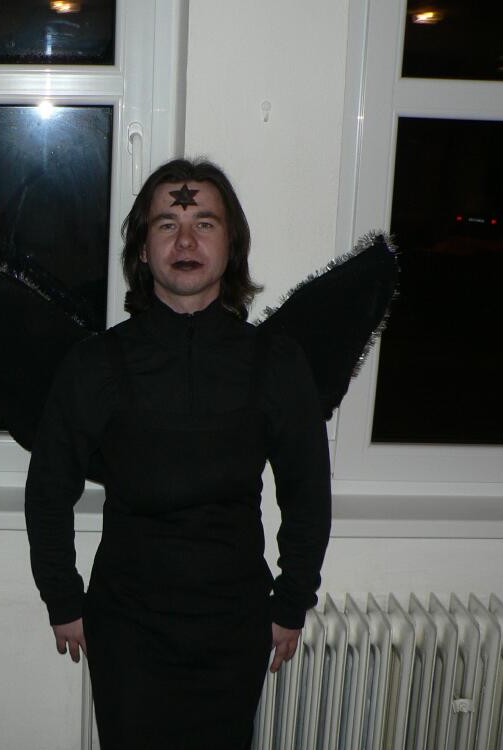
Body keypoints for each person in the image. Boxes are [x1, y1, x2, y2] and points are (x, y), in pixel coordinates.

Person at [24, 158, 331, 749]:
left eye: (204, 224)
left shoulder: (276, 362)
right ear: (142, 249)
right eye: (167, 225)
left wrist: (293, 600)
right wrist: (61, 596)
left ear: (231, 245)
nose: (186, 241)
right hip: (127, 629)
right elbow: (49, 488)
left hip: (235, 627)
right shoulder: (95, 363)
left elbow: (308, 492)